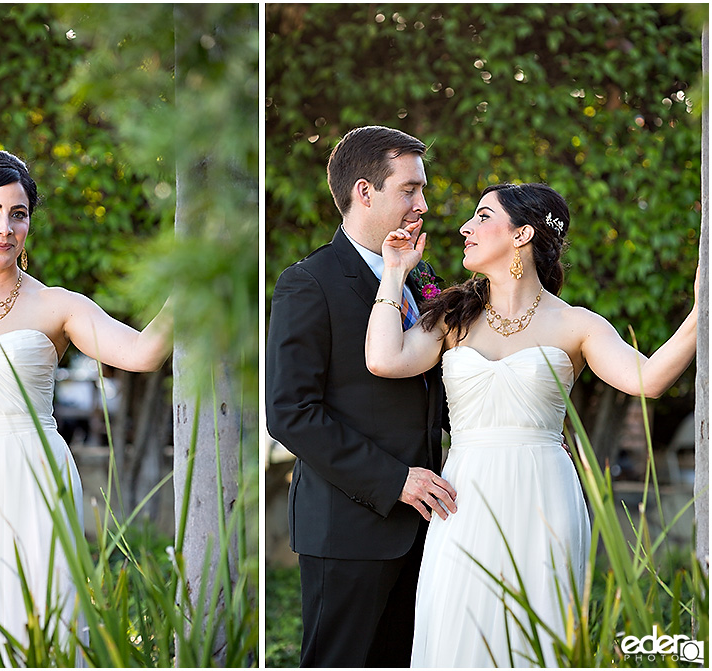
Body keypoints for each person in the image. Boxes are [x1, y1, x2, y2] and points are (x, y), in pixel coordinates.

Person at [365, 182, 698, 667]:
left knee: (536, 641)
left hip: (545, 500)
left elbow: (647, 380)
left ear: (521, 234)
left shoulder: (578, 324)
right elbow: (383, 357)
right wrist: (394, 273)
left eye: (482, 217)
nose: (465, 227)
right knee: (459, 632)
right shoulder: (453, 317)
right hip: (465, 501)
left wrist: (699, 312)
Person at [0, 149, 172, 667]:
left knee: (43, 629)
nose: (4, 227)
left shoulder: (56, 306)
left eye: (17, 214)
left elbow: (143, 353)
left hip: (34, 484)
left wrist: (190, 286)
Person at [266, 126, 457, 667]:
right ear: (365, 192)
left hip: (428, 523)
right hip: (347, 530)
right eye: (410, 190)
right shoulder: (309, 282)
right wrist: (393, 480)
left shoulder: (422, 278)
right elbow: (289, 412)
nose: (423, 204)